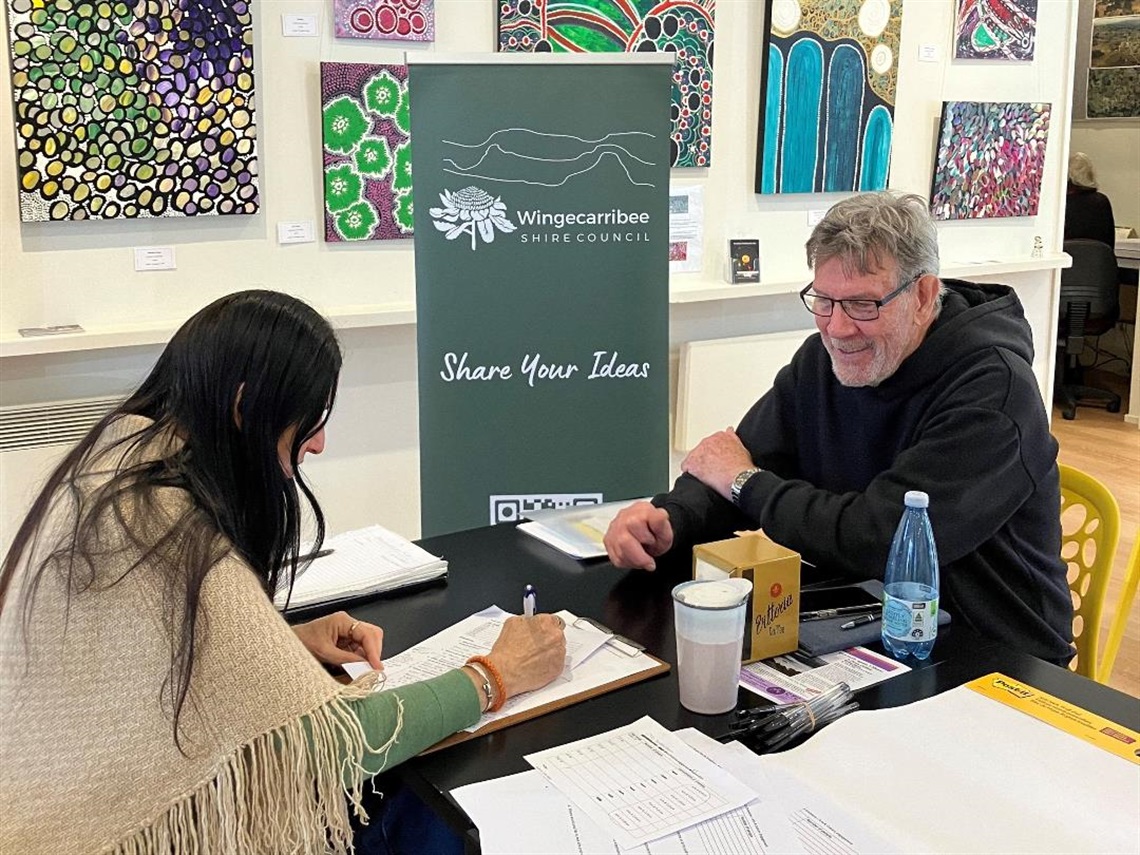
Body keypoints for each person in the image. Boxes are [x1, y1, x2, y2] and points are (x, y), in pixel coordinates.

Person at [0, 290, 567, 855]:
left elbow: (130, 661)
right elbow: (337, 745)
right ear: (246, 406)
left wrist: (279, 645)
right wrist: (496, 675)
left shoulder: (118, 457)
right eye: (311, 419)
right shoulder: (169, 530)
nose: (318, 443)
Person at [605, 192, 1073, 664]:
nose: (838, 328)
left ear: (924, 296)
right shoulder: (821, 362)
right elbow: (735, 461)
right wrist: (671, 520)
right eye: (823, 301)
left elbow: (878, 538)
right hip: (856, 621)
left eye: (863, 305)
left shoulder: (994, 390)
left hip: (992, 649)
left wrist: (744, 482)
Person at [1064, 151, 1116, 249]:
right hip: (1099, 262)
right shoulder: (1102, 201)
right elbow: (1109, 243)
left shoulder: (1062, 204)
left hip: (1069, 261)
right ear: (1090, 174)